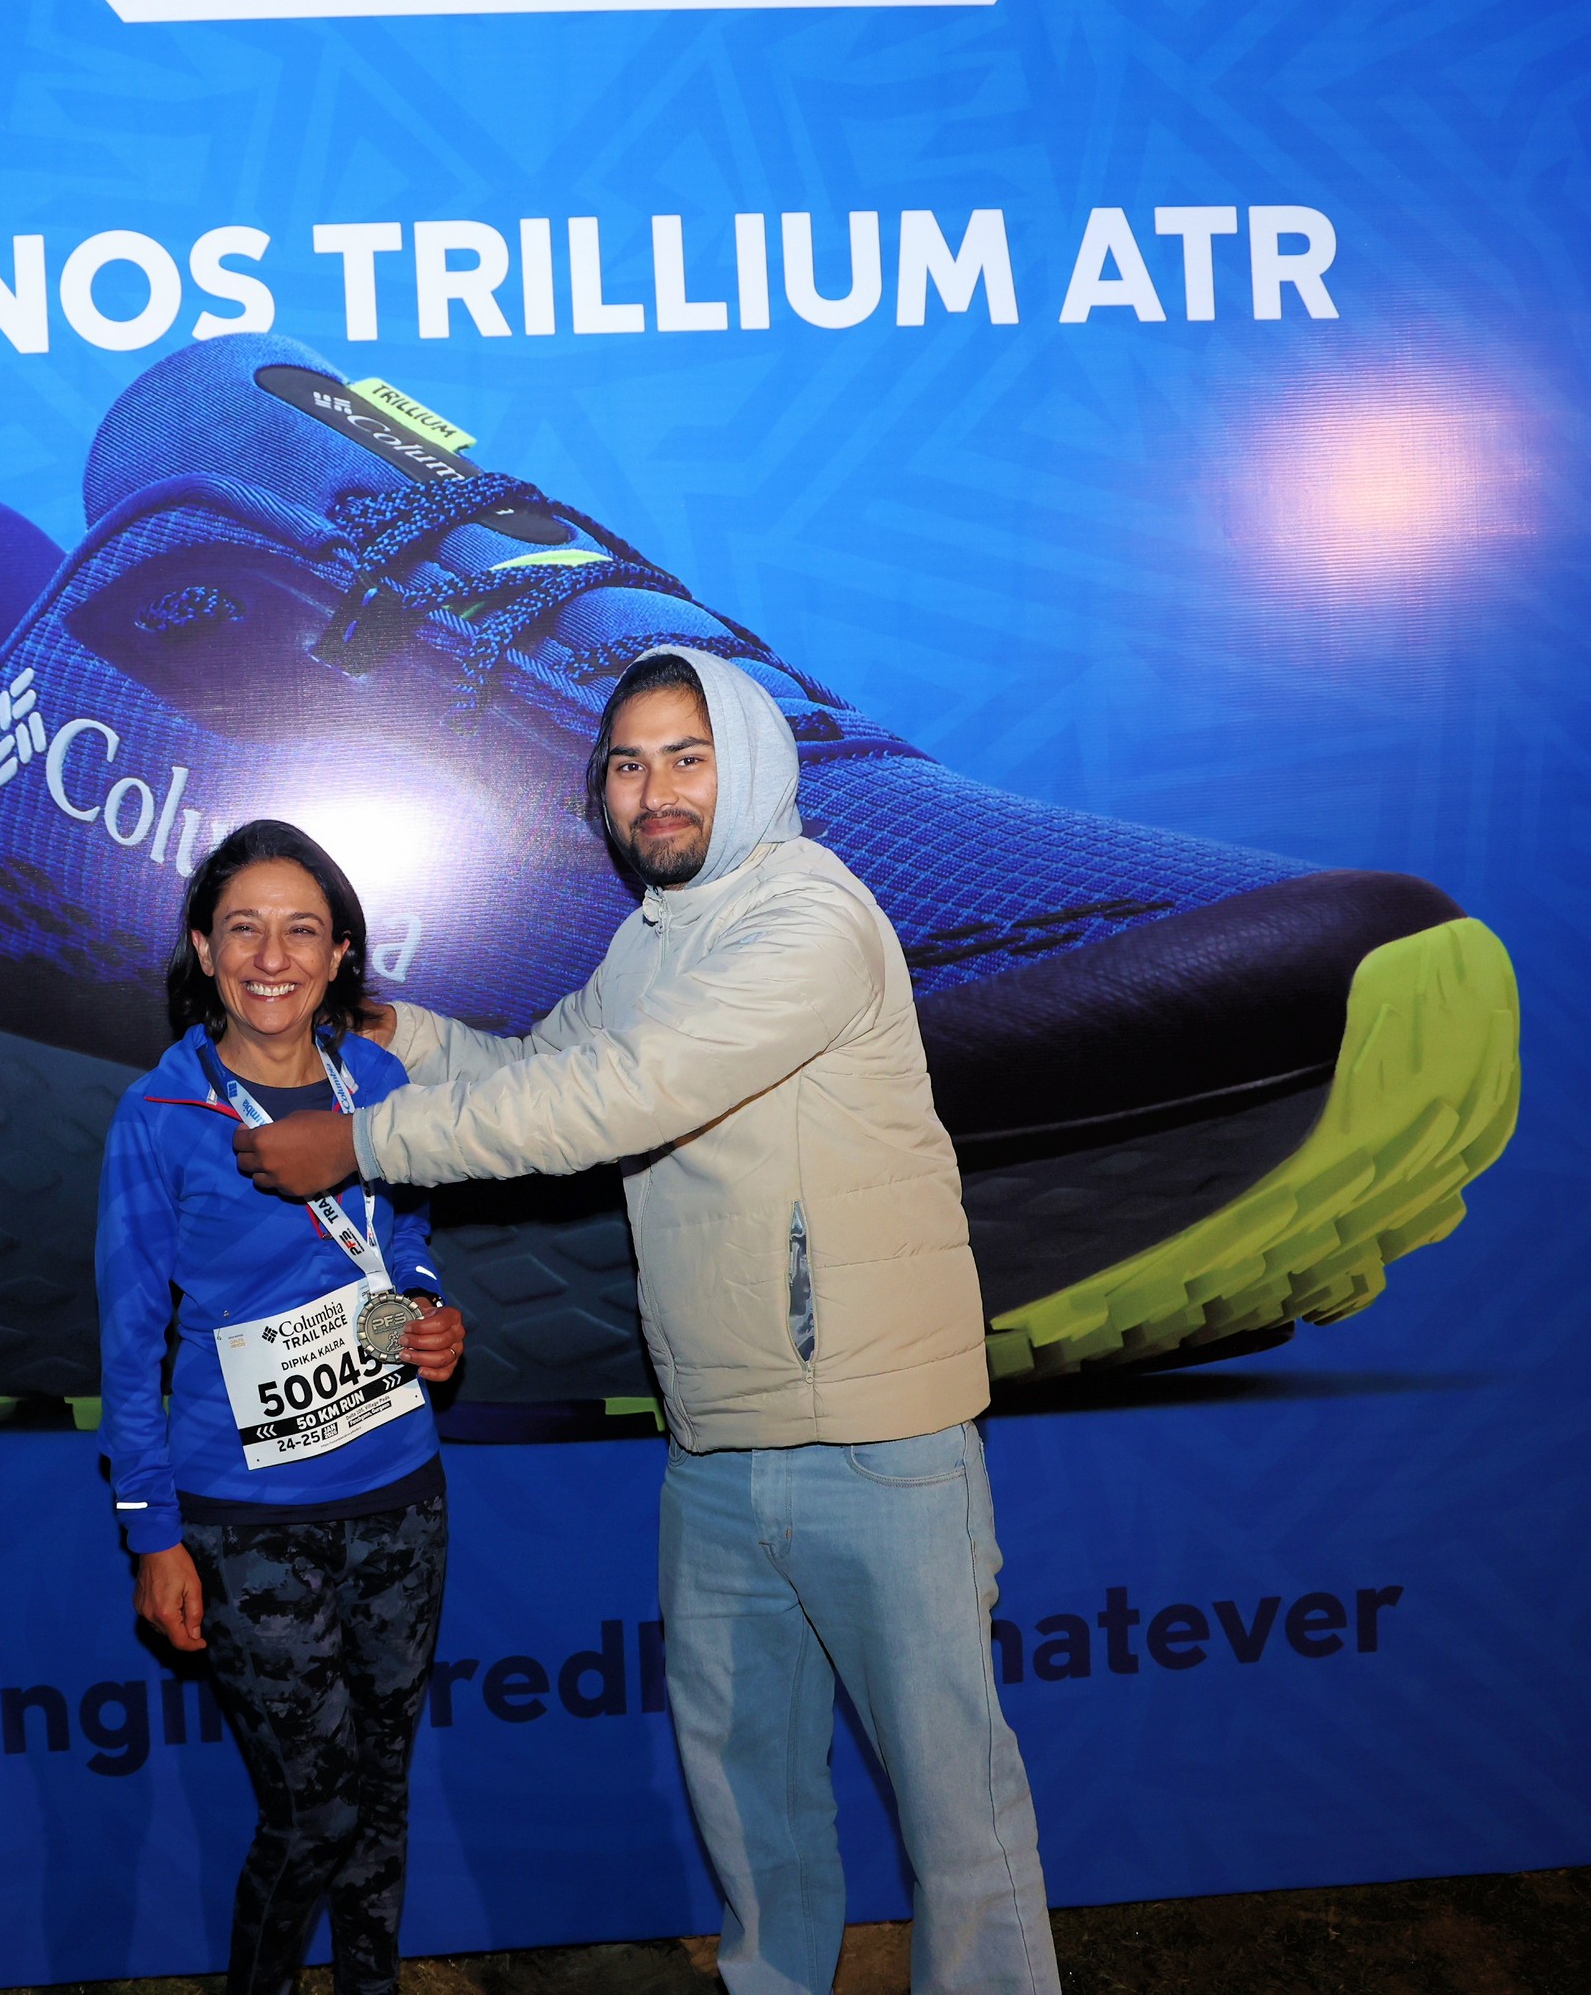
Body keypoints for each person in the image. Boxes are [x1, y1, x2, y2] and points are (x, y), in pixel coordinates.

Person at [235, 649, 1060, 1995]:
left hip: (879, 1441)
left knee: (957, 1811)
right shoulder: (652, 942)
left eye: (687, 755)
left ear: (755, 762)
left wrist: (366, 1139)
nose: (652, 788)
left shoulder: (810, 918)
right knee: (753, 1803)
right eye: (626, 763)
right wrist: (404, 1032)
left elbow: (627, 1094)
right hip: (719, 1437)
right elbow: (546, 1068)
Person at [95, 818, 468, 1995]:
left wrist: (425, 1308)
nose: (272, 955)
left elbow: (403, 1239)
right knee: (318, 1807)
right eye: (243, 929)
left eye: (301, 929)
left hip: (399, 1496)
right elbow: (127, 1348)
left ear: (341, 951)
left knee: (381, 1792)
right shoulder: (161, 1116)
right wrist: (153, 1535)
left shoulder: (382, 1086)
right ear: (204, 949)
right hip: (247, 1524)